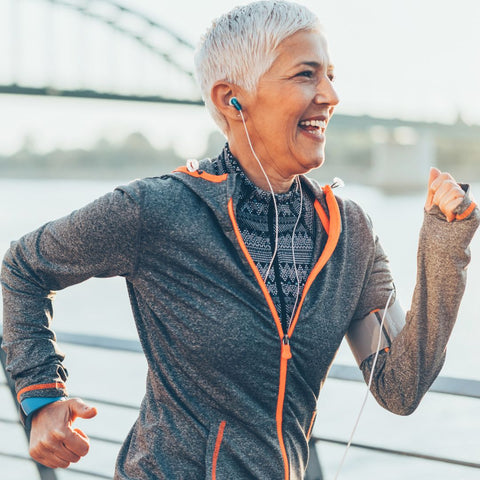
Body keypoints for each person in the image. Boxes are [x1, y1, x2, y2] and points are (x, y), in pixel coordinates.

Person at [1, 1, 479, 479]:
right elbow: (22, 268)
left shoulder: (350, 231)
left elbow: (400, 387)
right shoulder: (160, 208)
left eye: (331, 74)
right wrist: (41, 395)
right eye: (306, 75)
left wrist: (445, 247)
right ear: (233, 98)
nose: (331, 95)